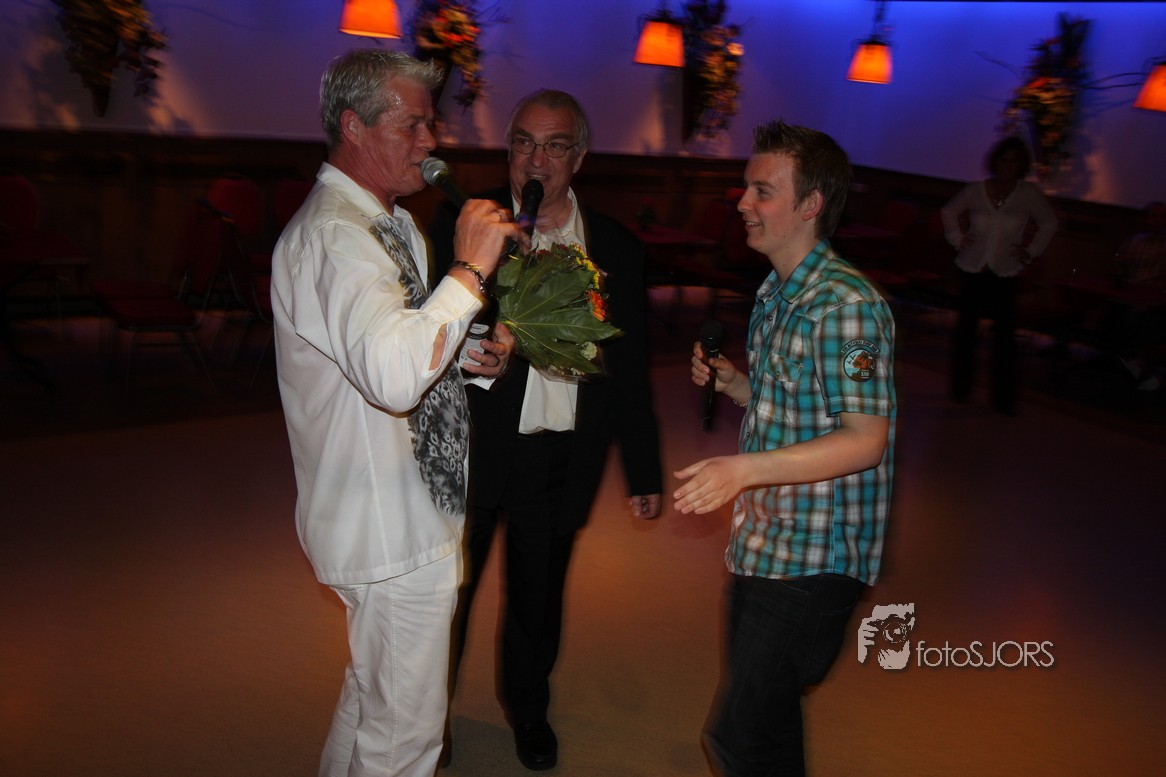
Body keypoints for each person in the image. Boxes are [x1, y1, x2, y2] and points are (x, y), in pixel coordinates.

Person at [271, 49, 525, 777]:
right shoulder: (336, 236)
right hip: (383, 524)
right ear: (353, 126)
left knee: (371, 697)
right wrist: (470, 270)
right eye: (412, 125)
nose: (430, 141)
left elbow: (394, 344)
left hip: (409, 505)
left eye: (430, 124)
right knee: (406, 739)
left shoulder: (392, 224)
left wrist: (466, 355)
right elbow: (390, 376)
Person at [430, 89, 663, 771]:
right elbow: (425, 326)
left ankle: (528, 709)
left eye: (554, 146)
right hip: (473, 444)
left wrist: (644, 469)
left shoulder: (615, 247)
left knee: (538, 599)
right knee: (446, 594)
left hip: (560, 455)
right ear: (509, 150)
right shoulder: (467, 221)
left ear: (578, 157)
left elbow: (630, 367)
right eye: (524, 143)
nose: (536, 160)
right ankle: (426, 714)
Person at [673, 120, 896, 777]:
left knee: (740, 736)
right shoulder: (776, 292)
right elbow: (796, 408)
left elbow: (865, 440)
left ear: (810, 204)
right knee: (765, 728)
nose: (743, 202)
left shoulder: (846, 306)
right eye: (746, 187)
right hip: (766, 540)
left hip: (815, 555)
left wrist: (740, 469)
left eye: (762, 191)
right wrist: (737, 384)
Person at [941, 135, 1057, 414]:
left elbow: (1049, 223)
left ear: (1021, 165)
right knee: (966, 332)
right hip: (972, 267)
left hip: (1005, 271)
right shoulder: (976, 190)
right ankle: (961, 389)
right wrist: (958, 238)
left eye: (1014, 161)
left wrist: (1030, 251)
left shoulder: (1028, 195)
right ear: (996, 161)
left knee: (1004, 337)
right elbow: (949, 211)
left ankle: (1003, 398)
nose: (1008, 165)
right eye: (1004, 159)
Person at [1112, 200, 1166, 389]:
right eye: (1153, 215)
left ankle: (1137, 362)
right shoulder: (1134, 241)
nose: (1157, 220)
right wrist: (1120, 265)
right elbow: (1119, 263)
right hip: (1130, 292)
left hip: (1153, 298)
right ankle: (1122, 360)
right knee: (1116, 311)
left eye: (1161, 216)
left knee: (1141, 316)